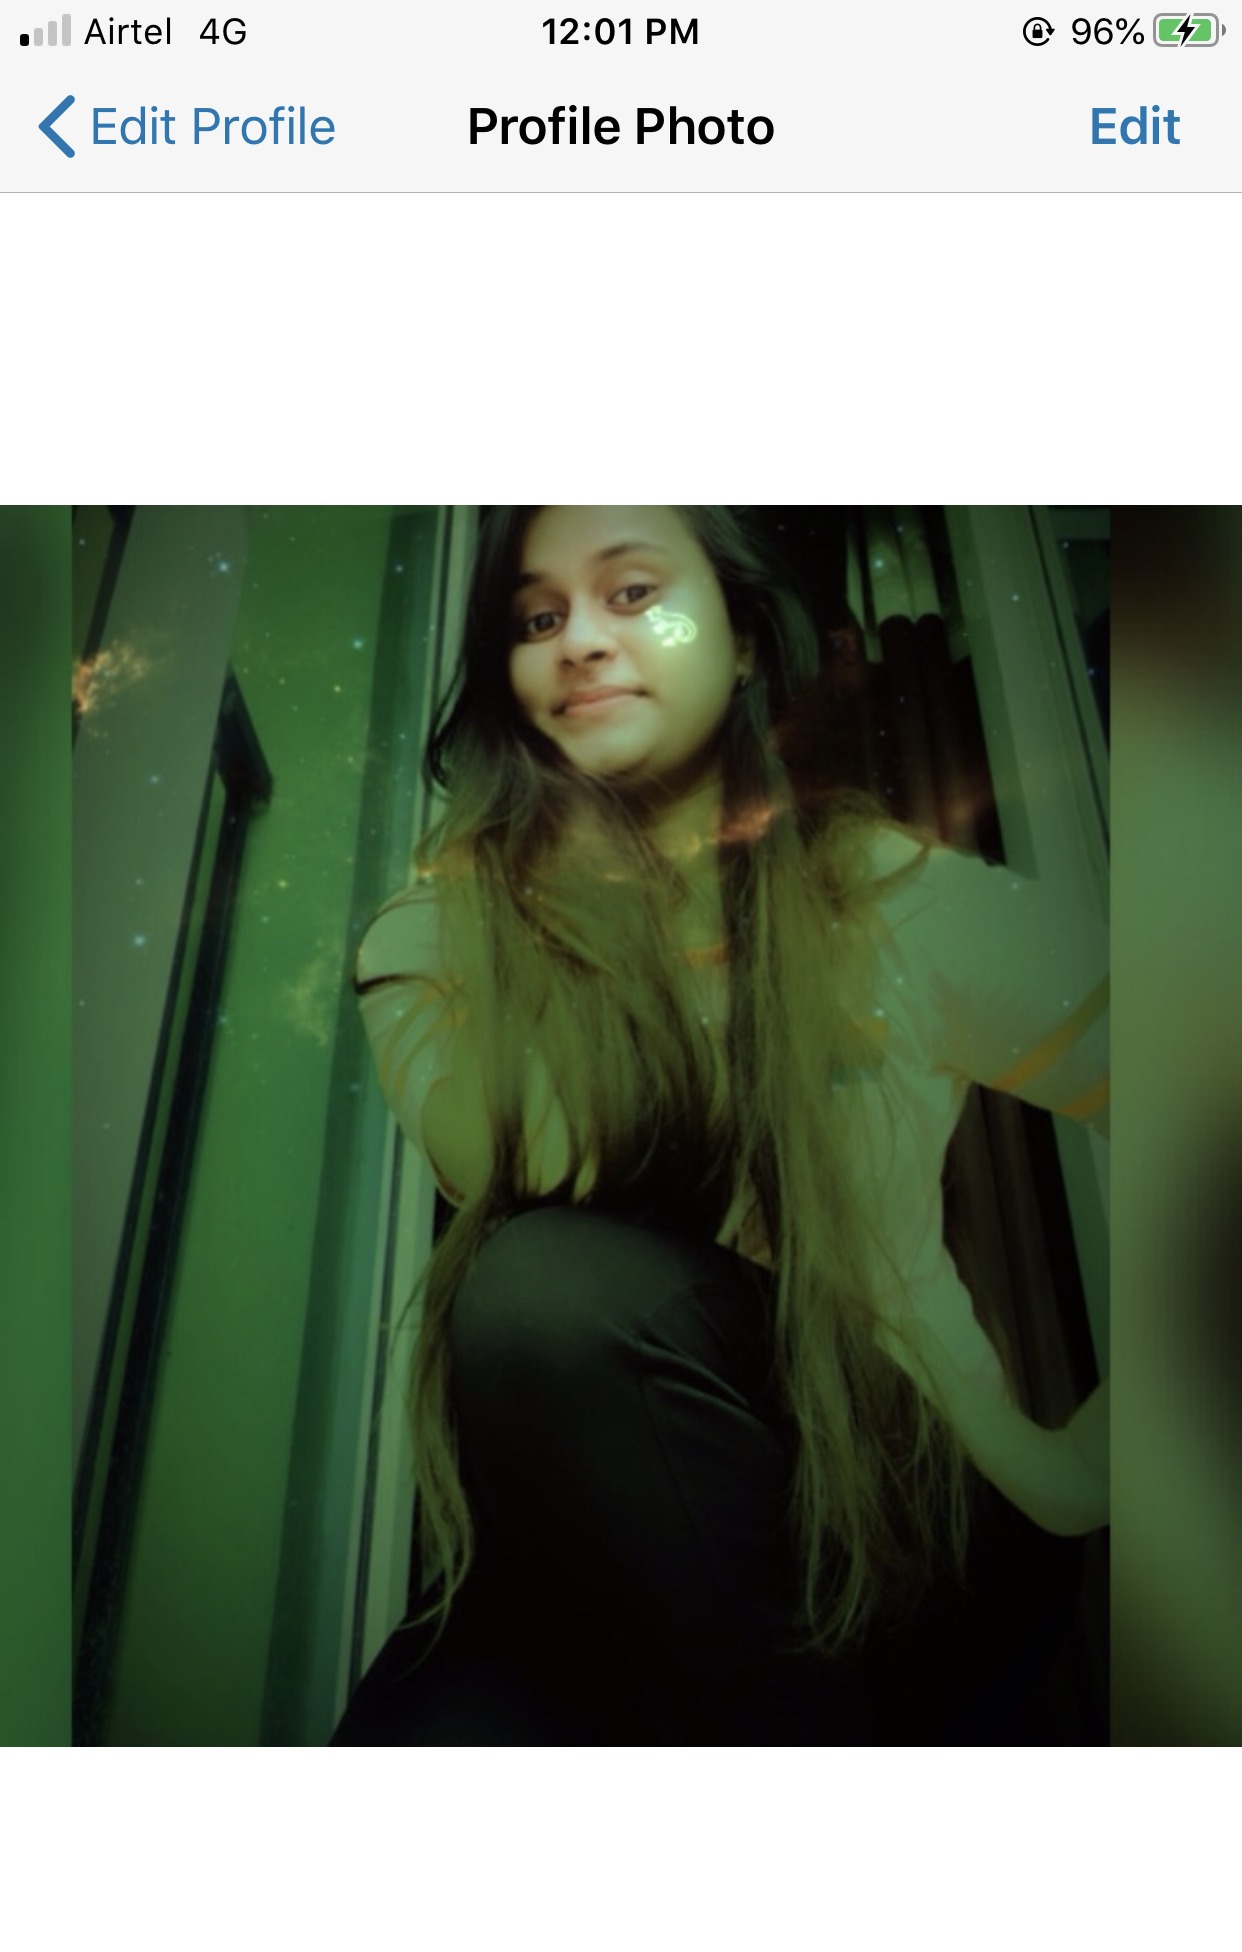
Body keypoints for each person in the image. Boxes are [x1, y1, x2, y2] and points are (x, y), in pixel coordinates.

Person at [332, 505, 1109, 1746]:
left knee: (542, 1289)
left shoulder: (883, 898)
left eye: (634, 593)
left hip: (902, 1521)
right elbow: (542, 1164)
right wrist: (576, 884)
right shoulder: (431, 945)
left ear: (743, 636)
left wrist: (1094, 1464)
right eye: (536, 618)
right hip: (604, 1536)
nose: (580, 640)